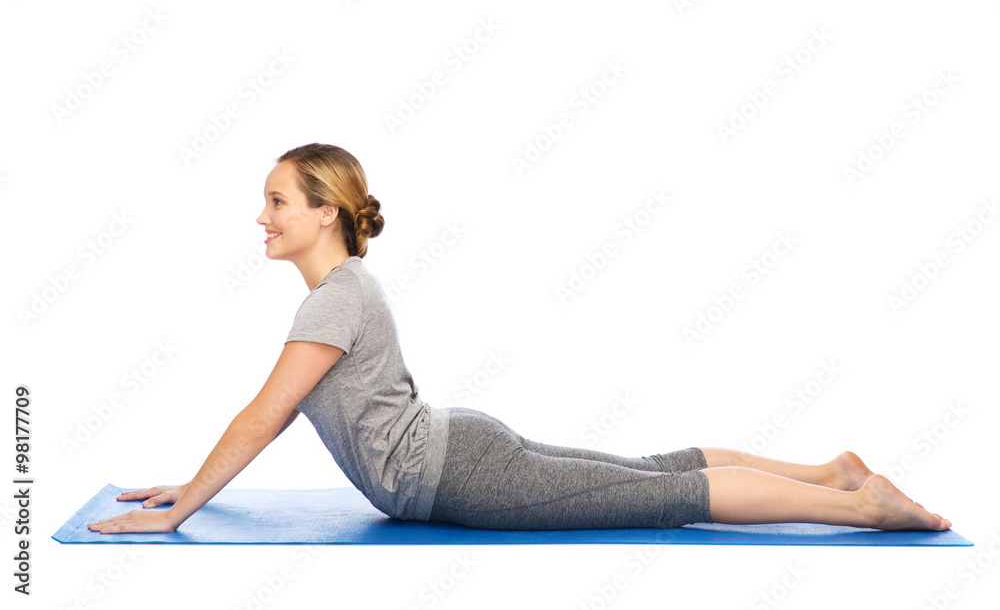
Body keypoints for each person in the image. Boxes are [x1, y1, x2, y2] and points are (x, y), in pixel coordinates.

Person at [87, 143, 952, 535]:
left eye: (277, 200)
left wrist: (187, 504)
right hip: (461, 448)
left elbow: (265, 412)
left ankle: (856, 504)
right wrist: (192, 484)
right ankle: (827, 471)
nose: (262, 216)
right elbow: (269, 416)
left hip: (459, 468)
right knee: (652, 472)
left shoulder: (331, 301)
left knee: (663, 495)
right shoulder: (346, 289)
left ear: (326, 213)